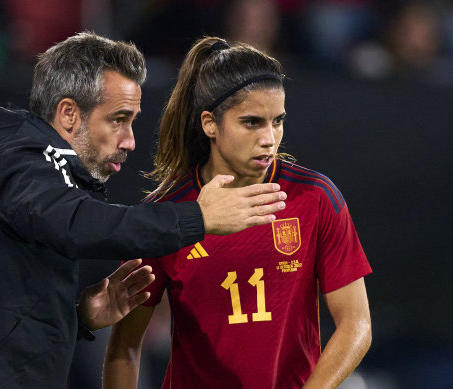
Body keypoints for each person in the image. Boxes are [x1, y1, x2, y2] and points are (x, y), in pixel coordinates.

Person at [0, 32, 286, 389]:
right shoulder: (21, 161)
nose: (129, 141)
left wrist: (80, 316)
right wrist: (197, 217)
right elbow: (77, 223)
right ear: (69, 113)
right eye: (118, 120)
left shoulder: (9, 162)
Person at [103, 36, 372, 389]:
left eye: (277, 121)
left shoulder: (316, 198)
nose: (269, 138)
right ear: (210, 124)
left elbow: (356, 324)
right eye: (252, 122)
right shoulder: (165, 213)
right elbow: (125, 344)